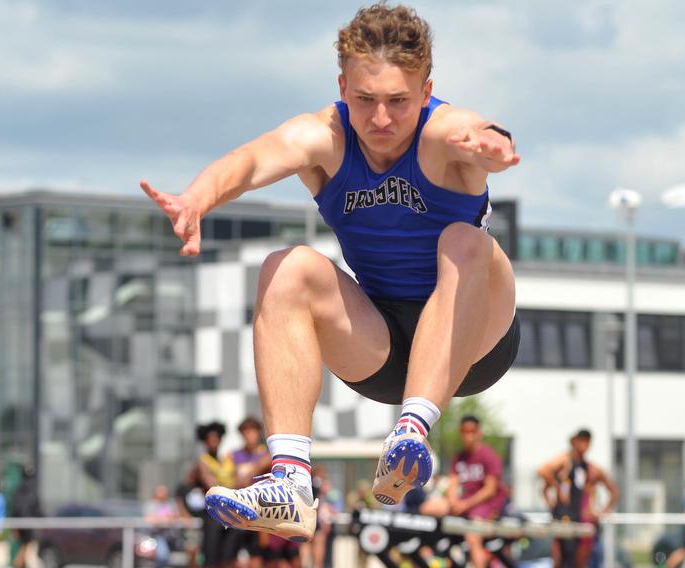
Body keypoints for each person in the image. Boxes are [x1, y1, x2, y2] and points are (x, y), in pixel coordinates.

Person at [141, 2, 520, 544]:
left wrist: (495, 147)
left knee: (466, 239)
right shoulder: (324, 138)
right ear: (342, 86)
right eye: (365, 100)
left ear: (426, 90)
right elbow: (251, 160)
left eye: (399, 102)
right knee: (286, 268)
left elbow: (482, 129)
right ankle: (291, 483)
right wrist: (198, 198)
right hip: (383, 348)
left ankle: (412, 432)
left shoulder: (443, 136)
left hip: (476, 343)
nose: (382, 120)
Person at [537, 429, 619, 568]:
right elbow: (543, 474)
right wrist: (555, 496)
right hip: (564, 517)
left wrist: (601, 511)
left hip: (583, 520)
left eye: (587, 442)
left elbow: (614, 491)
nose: (584, 446)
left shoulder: (590, 469)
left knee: (578, 562)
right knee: (560, 561)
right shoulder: (565, 461)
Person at [443, 415, 508, 568]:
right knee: (431, 508)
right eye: (464, 432)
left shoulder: (488, 455)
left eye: (472, 431)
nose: (468, 436)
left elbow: (490, 490)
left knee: (472, 535)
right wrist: (453, 502)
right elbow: (452, 484)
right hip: (466, 503)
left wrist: (464, 505)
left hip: (487, 505)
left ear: (479, 433)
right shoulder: (459, 458)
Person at [186, 422, 236, 568]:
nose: (213, 443)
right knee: (210, 555)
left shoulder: (226, 461)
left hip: (228, 512)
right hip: (211, 514)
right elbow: (212, 485)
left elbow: (238, 479)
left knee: (227, 556)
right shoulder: (203, 462)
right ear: (205, 442)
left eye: (216, 439)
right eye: (210, 440)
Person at [228, 417, 270, 567]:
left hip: (259, 513)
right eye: (246, 431)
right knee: (232, 556)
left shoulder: (266, 454)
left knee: (257, 555)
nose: (250, 435)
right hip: (237, 513)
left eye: (253, 431)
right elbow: (228, 481)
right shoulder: (232, 456)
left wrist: (248, 472)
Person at [9, 465, 42, 568]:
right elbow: (15, 509)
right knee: (28, 553)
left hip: (28, 527)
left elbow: (37, 510)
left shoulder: (30, 491)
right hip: (24, 527)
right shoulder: (21, 491)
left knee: (28, 551)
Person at [146, 484, 181, 568]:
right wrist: (165, 520)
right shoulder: (151, 505)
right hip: (157, 535)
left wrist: (166, 519)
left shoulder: (170, 504)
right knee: (162, 556)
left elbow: (175, 517)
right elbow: (150, 519)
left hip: (173, 535)